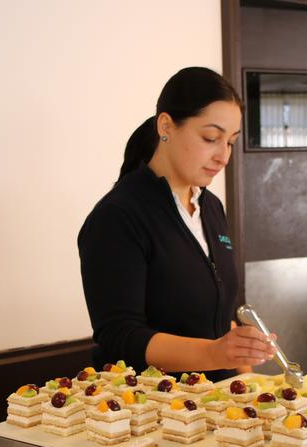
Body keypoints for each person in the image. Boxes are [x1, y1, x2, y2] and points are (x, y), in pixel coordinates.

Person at [78, 66, 275, 383]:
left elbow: (225, 318)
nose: (223, 156)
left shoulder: (210, 207)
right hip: (153, 408)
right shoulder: (118, 216)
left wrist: (247, 380)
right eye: (211, 138)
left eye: (230, 142)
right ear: (166, 126)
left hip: (218, 401)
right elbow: (120, 335)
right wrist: (215, 353)